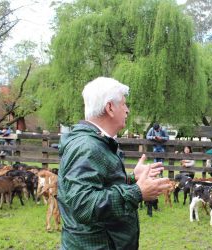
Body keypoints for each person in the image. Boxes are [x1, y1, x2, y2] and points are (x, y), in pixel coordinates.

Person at [57, 77, 171, 250]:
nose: (127, 110)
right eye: (124, 104)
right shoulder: (87, 147)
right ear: (110, 107)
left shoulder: (98, 142)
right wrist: (137, 192)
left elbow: (100, 186)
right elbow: (83, 205)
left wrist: (132, 179)